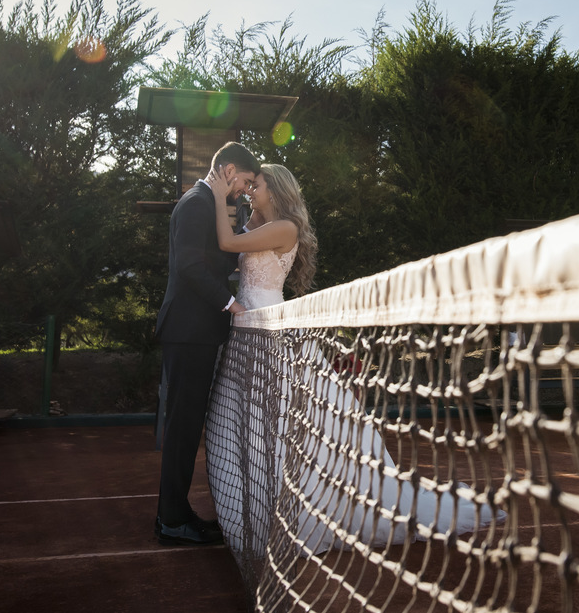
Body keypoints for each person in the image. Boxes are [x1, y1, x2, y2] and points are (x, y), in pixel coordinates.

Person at [202, 164, 502, 568]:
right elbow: (236, 245)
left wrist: (221, 194)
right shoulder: (261, 220)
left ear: (276, 189)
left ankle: (293, 510)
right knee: (248, 416)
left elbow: (226, 242)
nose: (251, 190)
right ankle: (253, 507)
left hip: (268, 324)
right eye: (250, 185)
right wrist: (244, 209)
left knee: (280, 415)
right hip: (246, 324)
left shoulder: (286, 227)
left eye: (257, 185)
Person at [153, 141, 260, 547]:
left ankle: (175, 515)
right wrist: (230, 303)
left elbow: (215, 258)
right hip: (188, 332)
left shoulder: (204, 200)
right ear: (230, 170)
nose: (243, 190)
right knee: (182, 428)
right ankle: (171, 520)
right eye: (245, 182)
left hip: (193, 333)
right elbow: (190, 266)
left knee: (186, 426)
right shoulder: (197, 202)